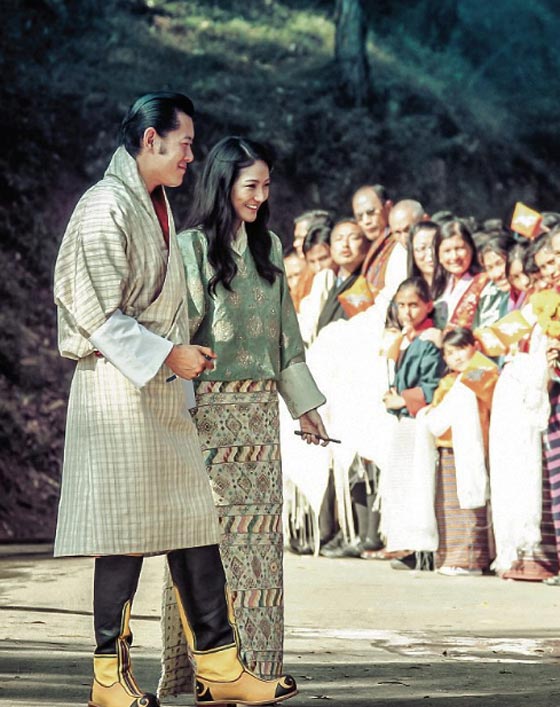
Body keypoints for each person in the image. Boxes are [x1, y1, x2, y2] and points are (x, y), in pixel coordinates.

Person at [53, 92, 298, 707]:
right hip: (117, 388)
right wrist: (170, 355)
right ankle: (108, 676)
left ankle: (220, 665)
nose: (192, 155)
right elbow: (96, 314)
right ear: (150, 140)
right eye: (185, 143)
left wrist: (175, 362)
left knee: (194, 519)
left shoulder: (154, 203)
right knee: (125, 531)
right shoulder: (105, 206)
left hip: (160, 387)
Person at [159, 136, 328, 697]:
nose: (261, 196)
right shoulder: (189, 248)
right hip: (204, 414)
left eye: (266, 186)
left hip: (259, 417)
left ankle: (259, 667)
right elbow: (178, 335)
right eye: (250, 185)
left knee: (259, 545)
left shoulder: (270, 247)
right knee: (203, 540)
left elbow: (287, 341)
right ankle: (207, 670)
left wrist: (306, 408)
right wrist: (177, 408)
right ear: (222, 185)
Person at [378, 278, 444, 570]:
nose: (407, 311)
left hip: (418, 420)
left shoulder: (430, 340)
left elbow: (432, 384)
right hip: (403, 420)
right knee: (401, 483)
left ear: (428, 305)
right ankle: (405, 544)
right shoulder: (406, 337)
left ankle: (423, 550)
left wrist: (403, 399)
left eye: (414, 305)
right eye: (401, 305)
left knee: (419, 484)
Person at [427, 327, 498, 576]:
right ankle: (451, 556)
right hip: (447, 447)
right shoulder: (449, 381)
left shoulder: (482, 371)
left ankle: (470, 559)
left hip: (470, 447)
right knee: (449, 504)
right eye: (449, 352)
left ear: (474, 347)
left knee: (469, 499)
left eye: (461, 349)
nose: (456, 356)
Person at [431, 219, 486, 329]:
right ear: (439, 256)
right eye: (447, 251)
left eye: (459, 249)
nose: (454, 257)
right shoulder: (440, 286)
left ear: (471, 249)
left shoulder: (484, 283)